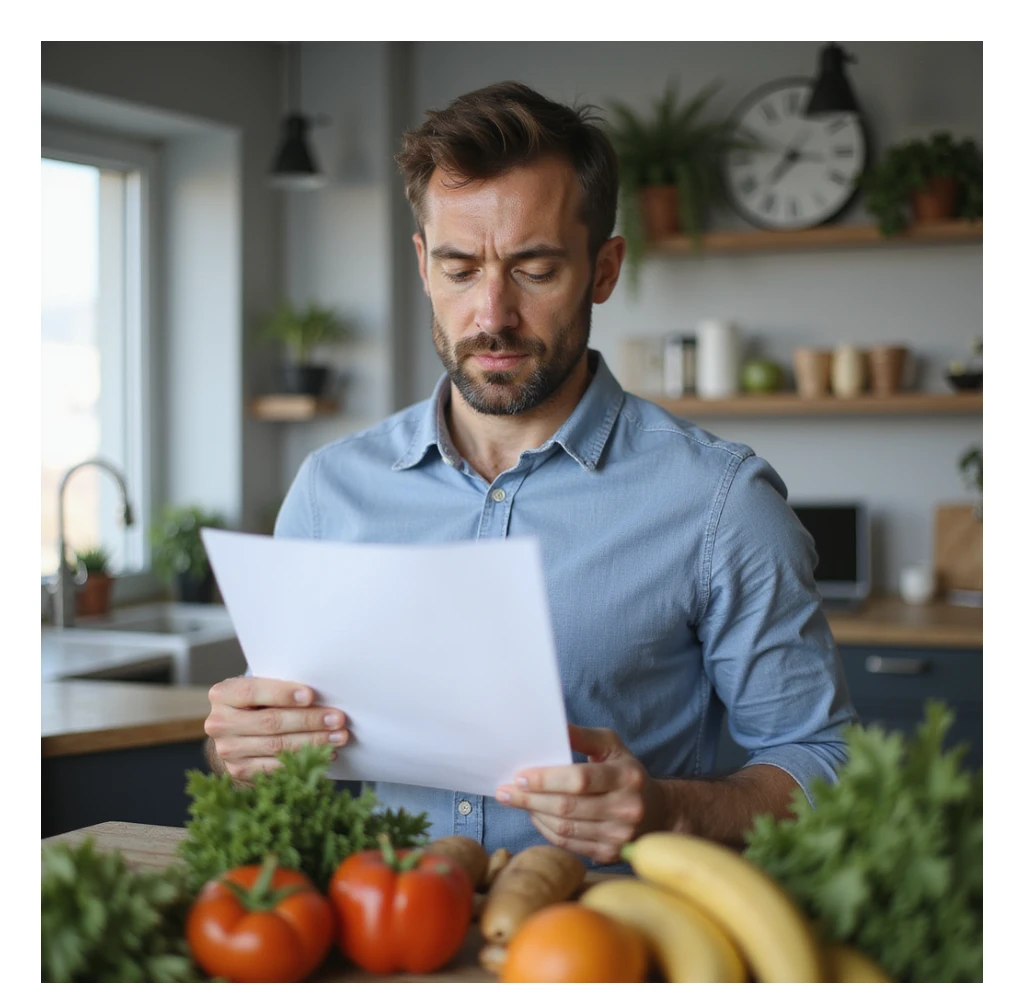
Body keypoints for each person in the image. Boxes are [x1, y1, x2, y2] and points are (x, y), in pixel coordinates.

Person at [204, 80, 858, 869]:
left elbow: (825, 763)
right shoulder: (328, 492)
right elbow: (274, 758)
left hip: (606, 947)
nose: (492, 315)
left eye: (535, 269)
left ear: (604, 269)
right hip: (383, 939)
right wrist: (241, 751)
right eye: (458, 268)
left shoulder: (721, 503)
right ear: (422, 266)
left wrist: (668, 809)